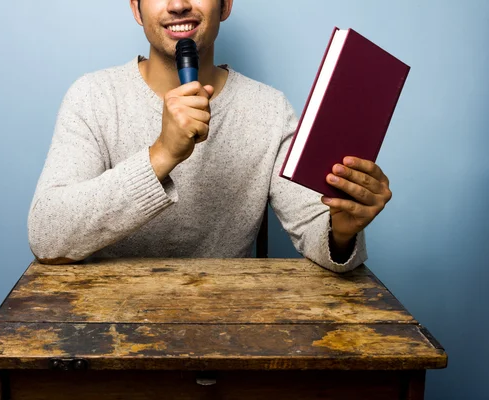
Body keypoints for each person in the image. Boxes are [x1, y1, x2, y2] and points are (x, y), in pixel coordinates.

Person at [27, 0, 392, 273]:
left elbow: (317, 230)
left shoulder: (269, 108)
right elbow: (47, 235)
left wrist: (341, 231)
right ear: (136, 10)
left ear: (226, 4)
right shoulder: (94, 96)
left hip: (226, 330)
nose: (178, 4)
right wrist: (161, 155)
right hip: (111, 330)